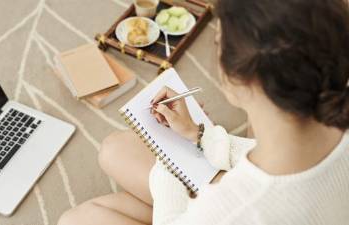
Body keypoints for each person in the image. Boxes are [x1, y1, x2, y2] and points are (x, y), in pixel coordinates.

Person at [58, 0, 349, 224]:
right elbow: (276, 154)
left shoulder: (231, 209)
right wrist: (200, 135)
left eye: (217, 43)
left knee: (75, 219)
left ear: (242, 79)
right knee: (114, 149)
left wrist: (166, 160)